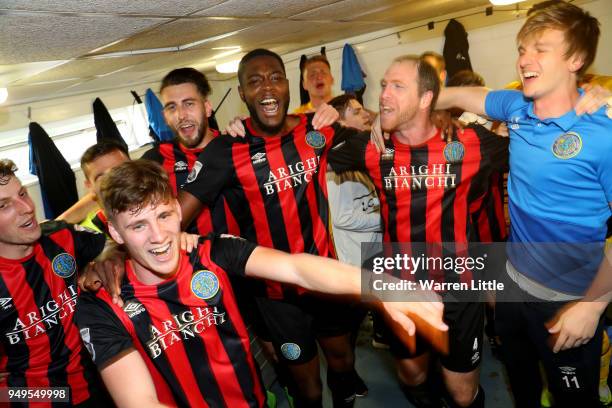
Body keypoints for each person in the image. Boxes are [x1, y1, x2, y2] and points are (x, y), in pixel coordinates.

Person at [75, 159, 447, 408]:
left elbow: (298, 268)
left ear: (178, 208)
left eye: (164, 215)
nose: (158, 236)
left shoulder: (212, 252)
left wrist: (384, 286)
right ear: (114, 231)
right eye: (138, 226)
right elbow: (140, 403)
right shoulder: (103, 303)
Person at [434, 2, 611, 406]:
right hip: (514, 291)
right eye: (521, 49)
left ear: (576, 58)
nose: (524, 60)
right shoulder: (517, 110)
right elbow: (467, 93)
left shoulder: (602, 134)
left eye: (540, 48)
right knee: (523, 386)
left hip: (569, 300)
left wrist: (593, 305)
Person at [178, 48, 372, 408]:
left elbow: (379, 141)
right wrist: (116, 251)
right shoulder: (226, 150)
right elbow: (175, 217)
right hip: (277, 297)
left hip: (326, 279)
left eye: (275, 78)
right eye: (254, 81)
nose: (267, 88)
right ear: (242, 94)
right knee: (308, 387)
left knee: (343, 362)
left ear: (287, 85)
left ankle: (347, 392)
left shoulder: (316, 130)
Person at [328, 55, 510, 408]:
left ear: (427, 98)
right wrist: (315, 118)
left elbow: (534, 145)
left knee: (460, 392)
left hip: (459, 288)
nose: (383, 95)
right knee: (413, 376)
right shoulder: (371, 148)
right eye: (383, 85)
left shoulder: (467, 142)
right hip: (402, 288)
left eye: (398, 87)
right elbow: (303, 149)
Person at [0, 159, 113, 406]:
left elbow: (115, 244)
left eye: (22, 194)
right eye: (3, 205)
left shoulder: (61, 237)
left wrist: (101, 264)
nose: (26, 208)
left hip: (100, 383)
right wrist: (55, 396)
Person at [141, 68, 226, 237]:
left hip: (247, 258)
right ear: (165, 116)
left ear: (208, 108)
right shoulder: (154, 161)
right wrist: (114, 250)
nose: (181, 115)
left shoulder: (236, 147)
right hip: (188, 261)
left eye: (189, 104)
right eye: (172, 107)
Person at [57, 141, 129, 230]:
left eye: (120, 170)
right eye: (101, 177)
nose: (113, 180)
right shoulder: (89, 237)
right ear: (90, 186)